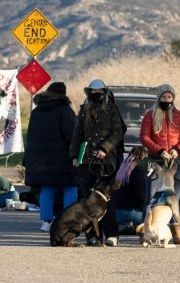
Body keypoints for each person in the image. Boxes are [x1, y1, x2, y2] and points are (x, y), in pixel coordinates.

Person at [70, 79, 124, 246]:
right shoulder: (84, 111)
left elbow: (117, 132)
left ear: (105, 92)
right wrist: (74, 156)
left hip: (106, 161)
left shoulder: (112, 110)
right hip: (86, 159)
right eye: (94, 92)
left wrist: (104, 149)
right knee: (87, 199)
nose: (97, 94)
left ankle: (112, 235)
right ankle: (93, 235)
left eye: (100, 91)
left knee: (107, 200)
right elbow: (77, 135)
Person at [140, 83, 180, 244]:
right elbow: (144, 138)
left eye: (169, 97)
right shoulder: (150, 115)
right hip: (155, 161)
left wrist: (177, 149)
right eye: (163, 97)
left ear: (173, 98)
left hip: (174, 162)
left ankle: (175, 233)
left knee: (174, 199)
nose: (167, 100)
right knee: (150, 198)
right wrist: (159, 150)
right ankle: (145, 233)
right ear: (159, 98)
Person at [23, 82, 78, 232]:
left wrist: (28, 159)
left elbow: (31, 138)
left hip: (41, 159)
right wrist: (77, 154)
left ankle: (46, 222)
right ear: (64, 95)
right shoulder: (65, 110)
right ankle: (68, 221)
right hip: (63, 158)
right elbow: (72, 136)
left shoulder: (36, 112)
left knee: (46, 188)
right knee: (70, 186)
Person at [112, 146, 147, 232]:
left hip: (116, 212)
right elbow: (142, 195)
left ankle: (125, 225)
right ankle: (131, 224)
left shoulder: (122, 168)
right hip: (130, 211)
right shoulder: (138, 170)